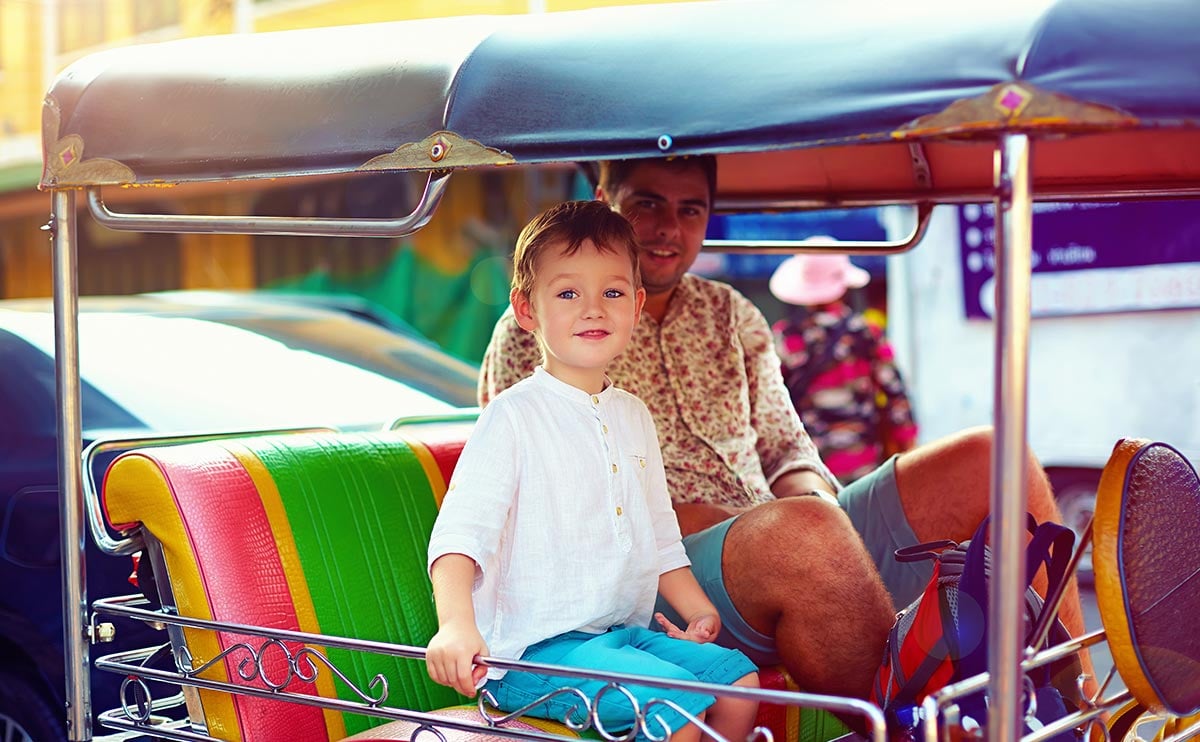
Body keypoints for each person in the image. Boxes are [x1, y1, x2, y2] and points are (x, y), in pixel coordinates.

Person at [479, 156, 1097, 703]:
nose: (669, 227)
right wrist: (699, 516)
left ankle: (1075, 698)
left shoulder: (730, 312)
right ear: (604, 205)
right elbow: (536, 499)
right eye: (647, 204)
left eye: (689, 209)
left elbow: (785, 447)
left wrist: (819, 508)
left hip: (784, 532)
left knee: (991, 458)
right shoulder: (540, 325)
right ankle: (914, 718)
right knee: (797, 533)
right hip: (659, 577)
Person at [427, 200, 759, 742]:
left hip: (621, 637)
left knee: (742, 688)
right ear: (526, 309)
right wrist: (457, 626)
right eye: (567, 293)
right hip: (532, 655)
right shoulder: (513, 416)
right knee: (680, 711)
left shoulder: (633, 415)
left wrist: (698, 611)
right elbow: (459, 537)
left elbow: (659, 537)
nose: (593, 309)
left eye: (612, 292)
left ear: (636, 303)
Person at [768, 252, 918, 483]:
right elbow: (895, 393)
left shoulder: (786, 337)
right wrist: (908, 445)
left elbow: (769, 400)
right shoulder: (867, 332)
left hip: (809, 464)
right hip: (863, 460)